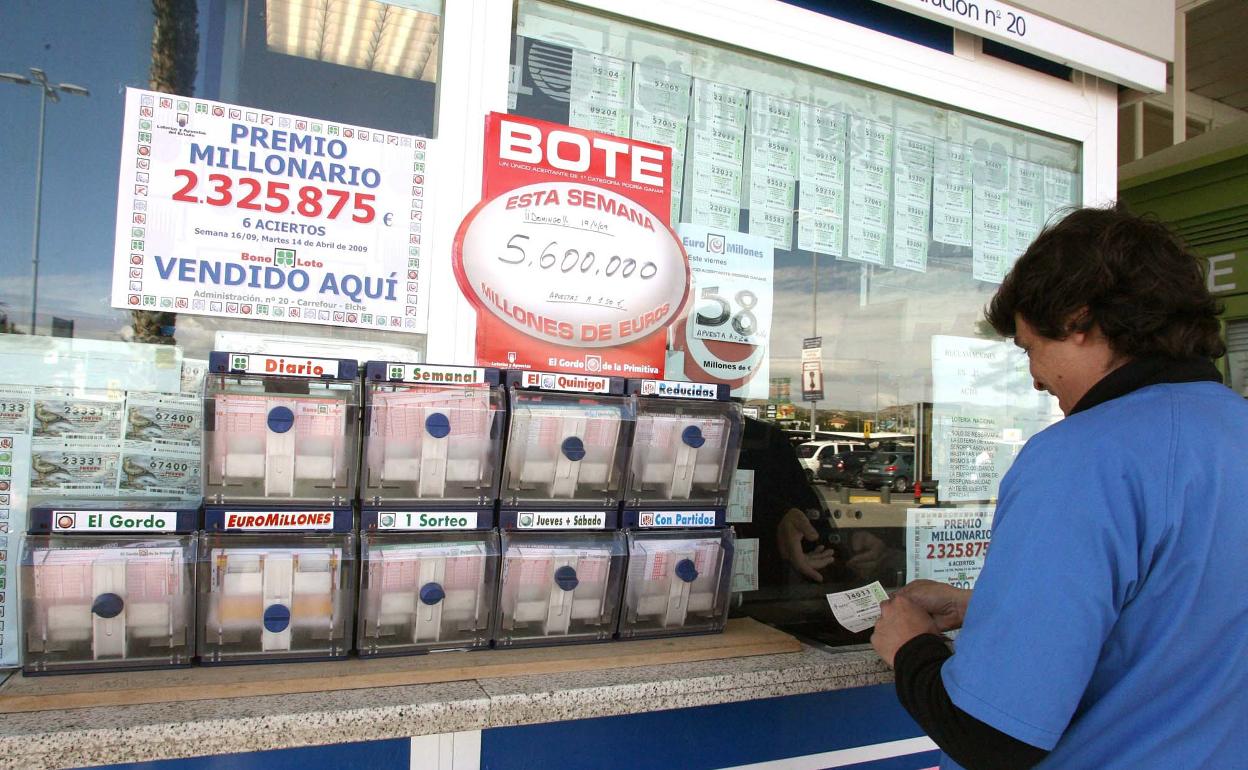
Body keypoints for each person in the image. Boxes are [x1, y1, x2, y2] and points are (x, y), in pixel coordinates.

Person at [870, 205, 1248, 769]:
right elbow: (1184, 616)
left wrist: (908, 647)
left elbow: (991, 736)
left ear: (1078, 319)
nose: (1034, 377)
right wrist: (993, 608)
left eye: (1029, 348)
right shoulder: (1231, 430)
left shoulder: (1083, 456)